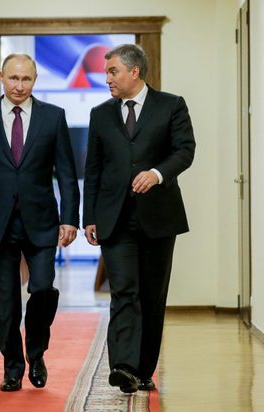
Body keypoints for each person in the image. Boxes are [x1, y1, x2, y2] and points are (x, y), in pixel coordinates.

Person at [0, 53, 80, 392]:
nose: (19, 85)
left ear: (35, 80)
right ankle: (12, 367)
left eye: (26, 79)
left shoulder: (53, 117)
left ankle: (36, 352)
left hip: (42, 221)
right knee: (6, 300)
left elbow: (67, 174)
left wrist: (70, 218)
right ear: (1, 76)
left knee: (42, 287)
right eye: (13, 78)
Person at [83, 44, 195, 393]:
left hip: (159, 217)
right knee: (123, 291)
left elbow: (185, 150)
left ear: (134, 71)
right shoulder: (101, 114)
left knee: (151, 295)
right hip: (114, 220)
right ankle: (123, 366)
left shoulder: (171, 105)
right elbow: (93, 168)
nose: (107, 78)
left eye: (112, 71)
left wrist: (157, 174)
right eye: (106, 72)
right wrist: (90, 217)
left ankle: (144, 370)